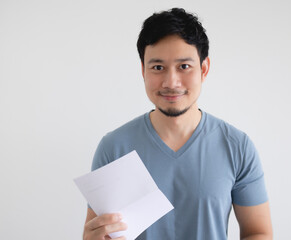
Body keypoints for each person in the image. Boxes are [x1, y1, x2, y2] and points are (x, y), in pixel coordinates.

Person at [83, 8, 272, 240]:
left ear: (204, 69)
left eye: (184, 66)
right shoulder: (114, 147)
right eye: (158, 67)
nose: (171, 82)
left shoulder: (237, 146)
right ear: (143, 70)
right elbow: (98, 231)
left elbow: (258, 232)